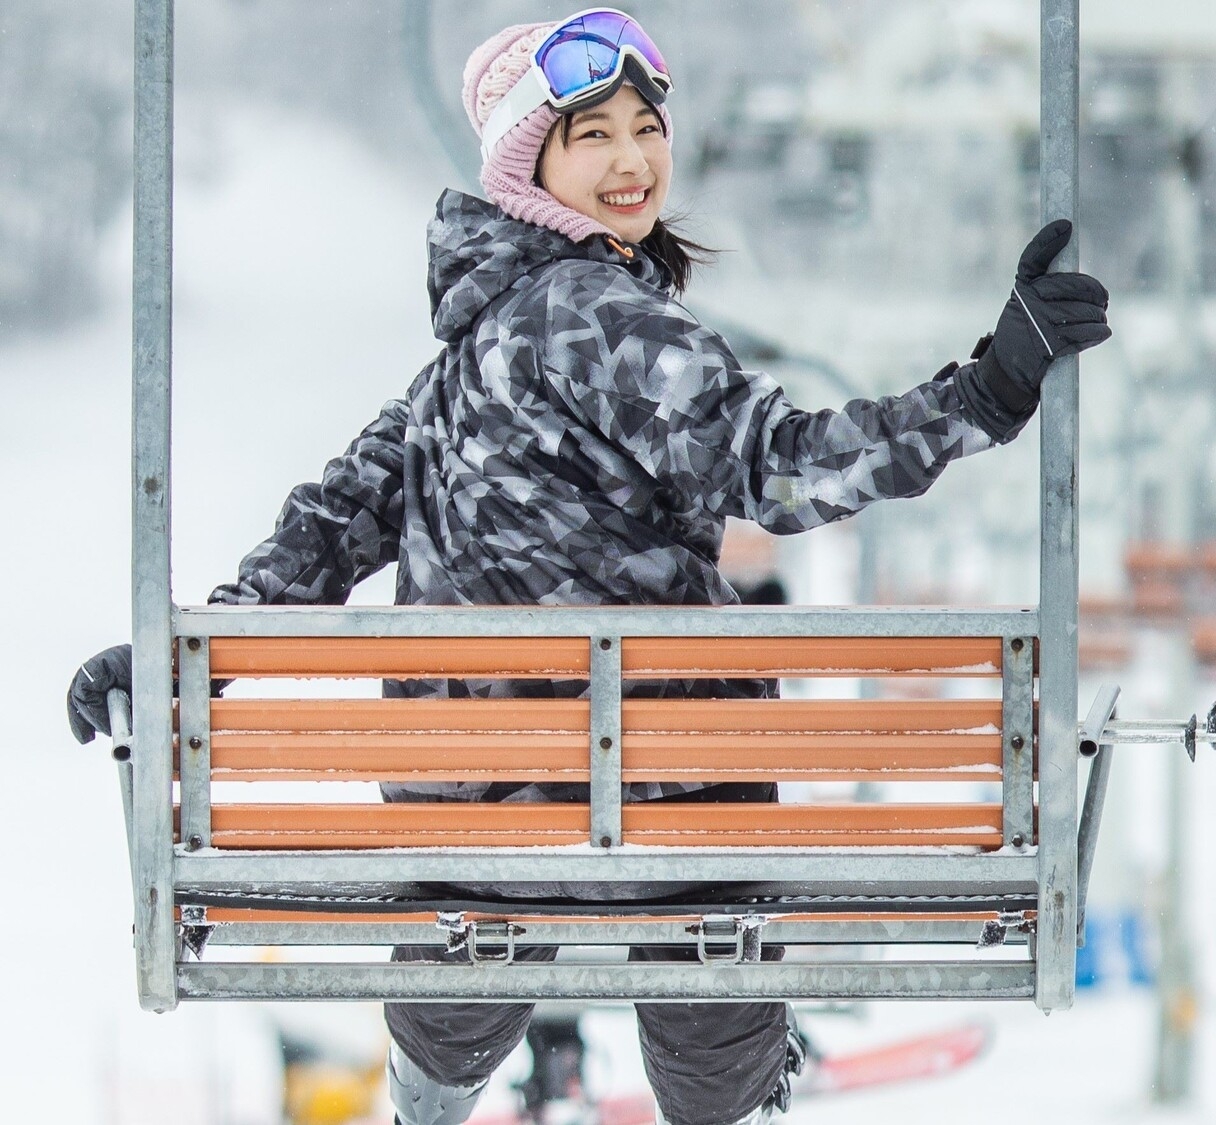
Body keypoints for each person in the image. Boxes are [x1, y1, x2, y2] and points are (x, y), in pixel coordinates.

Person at [64, 9, 1111, 1125]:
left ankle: (433, 1087)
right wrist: (990, 388)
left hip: (476, 843)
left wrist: (177, 666)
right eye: (591, 136)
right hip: (669, 826)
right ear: (531, 167)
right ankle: (734, 1087)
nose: (630, 160)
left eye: (645, 128)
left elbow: (321, 536)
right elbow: (780, 471)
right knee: (710, 892)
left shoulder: (450, 378)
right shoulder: (601, 318)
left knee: (471, 901)